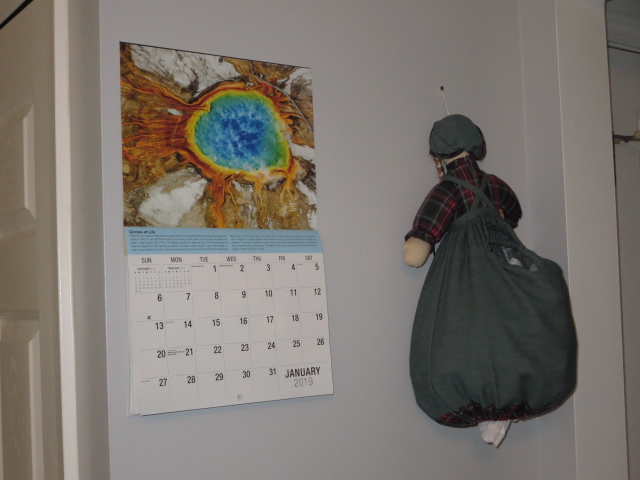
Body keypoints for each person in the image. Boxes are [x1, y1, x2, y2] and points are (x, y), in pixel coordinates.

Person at [403, 114, 521, 267]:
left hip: (466, 268)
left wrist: (416, 246)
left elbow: (415, 256)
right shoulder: (494, 183)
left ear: (440, 152)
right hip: (502, 266)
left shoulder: (447, 190)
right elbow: (514, 213)